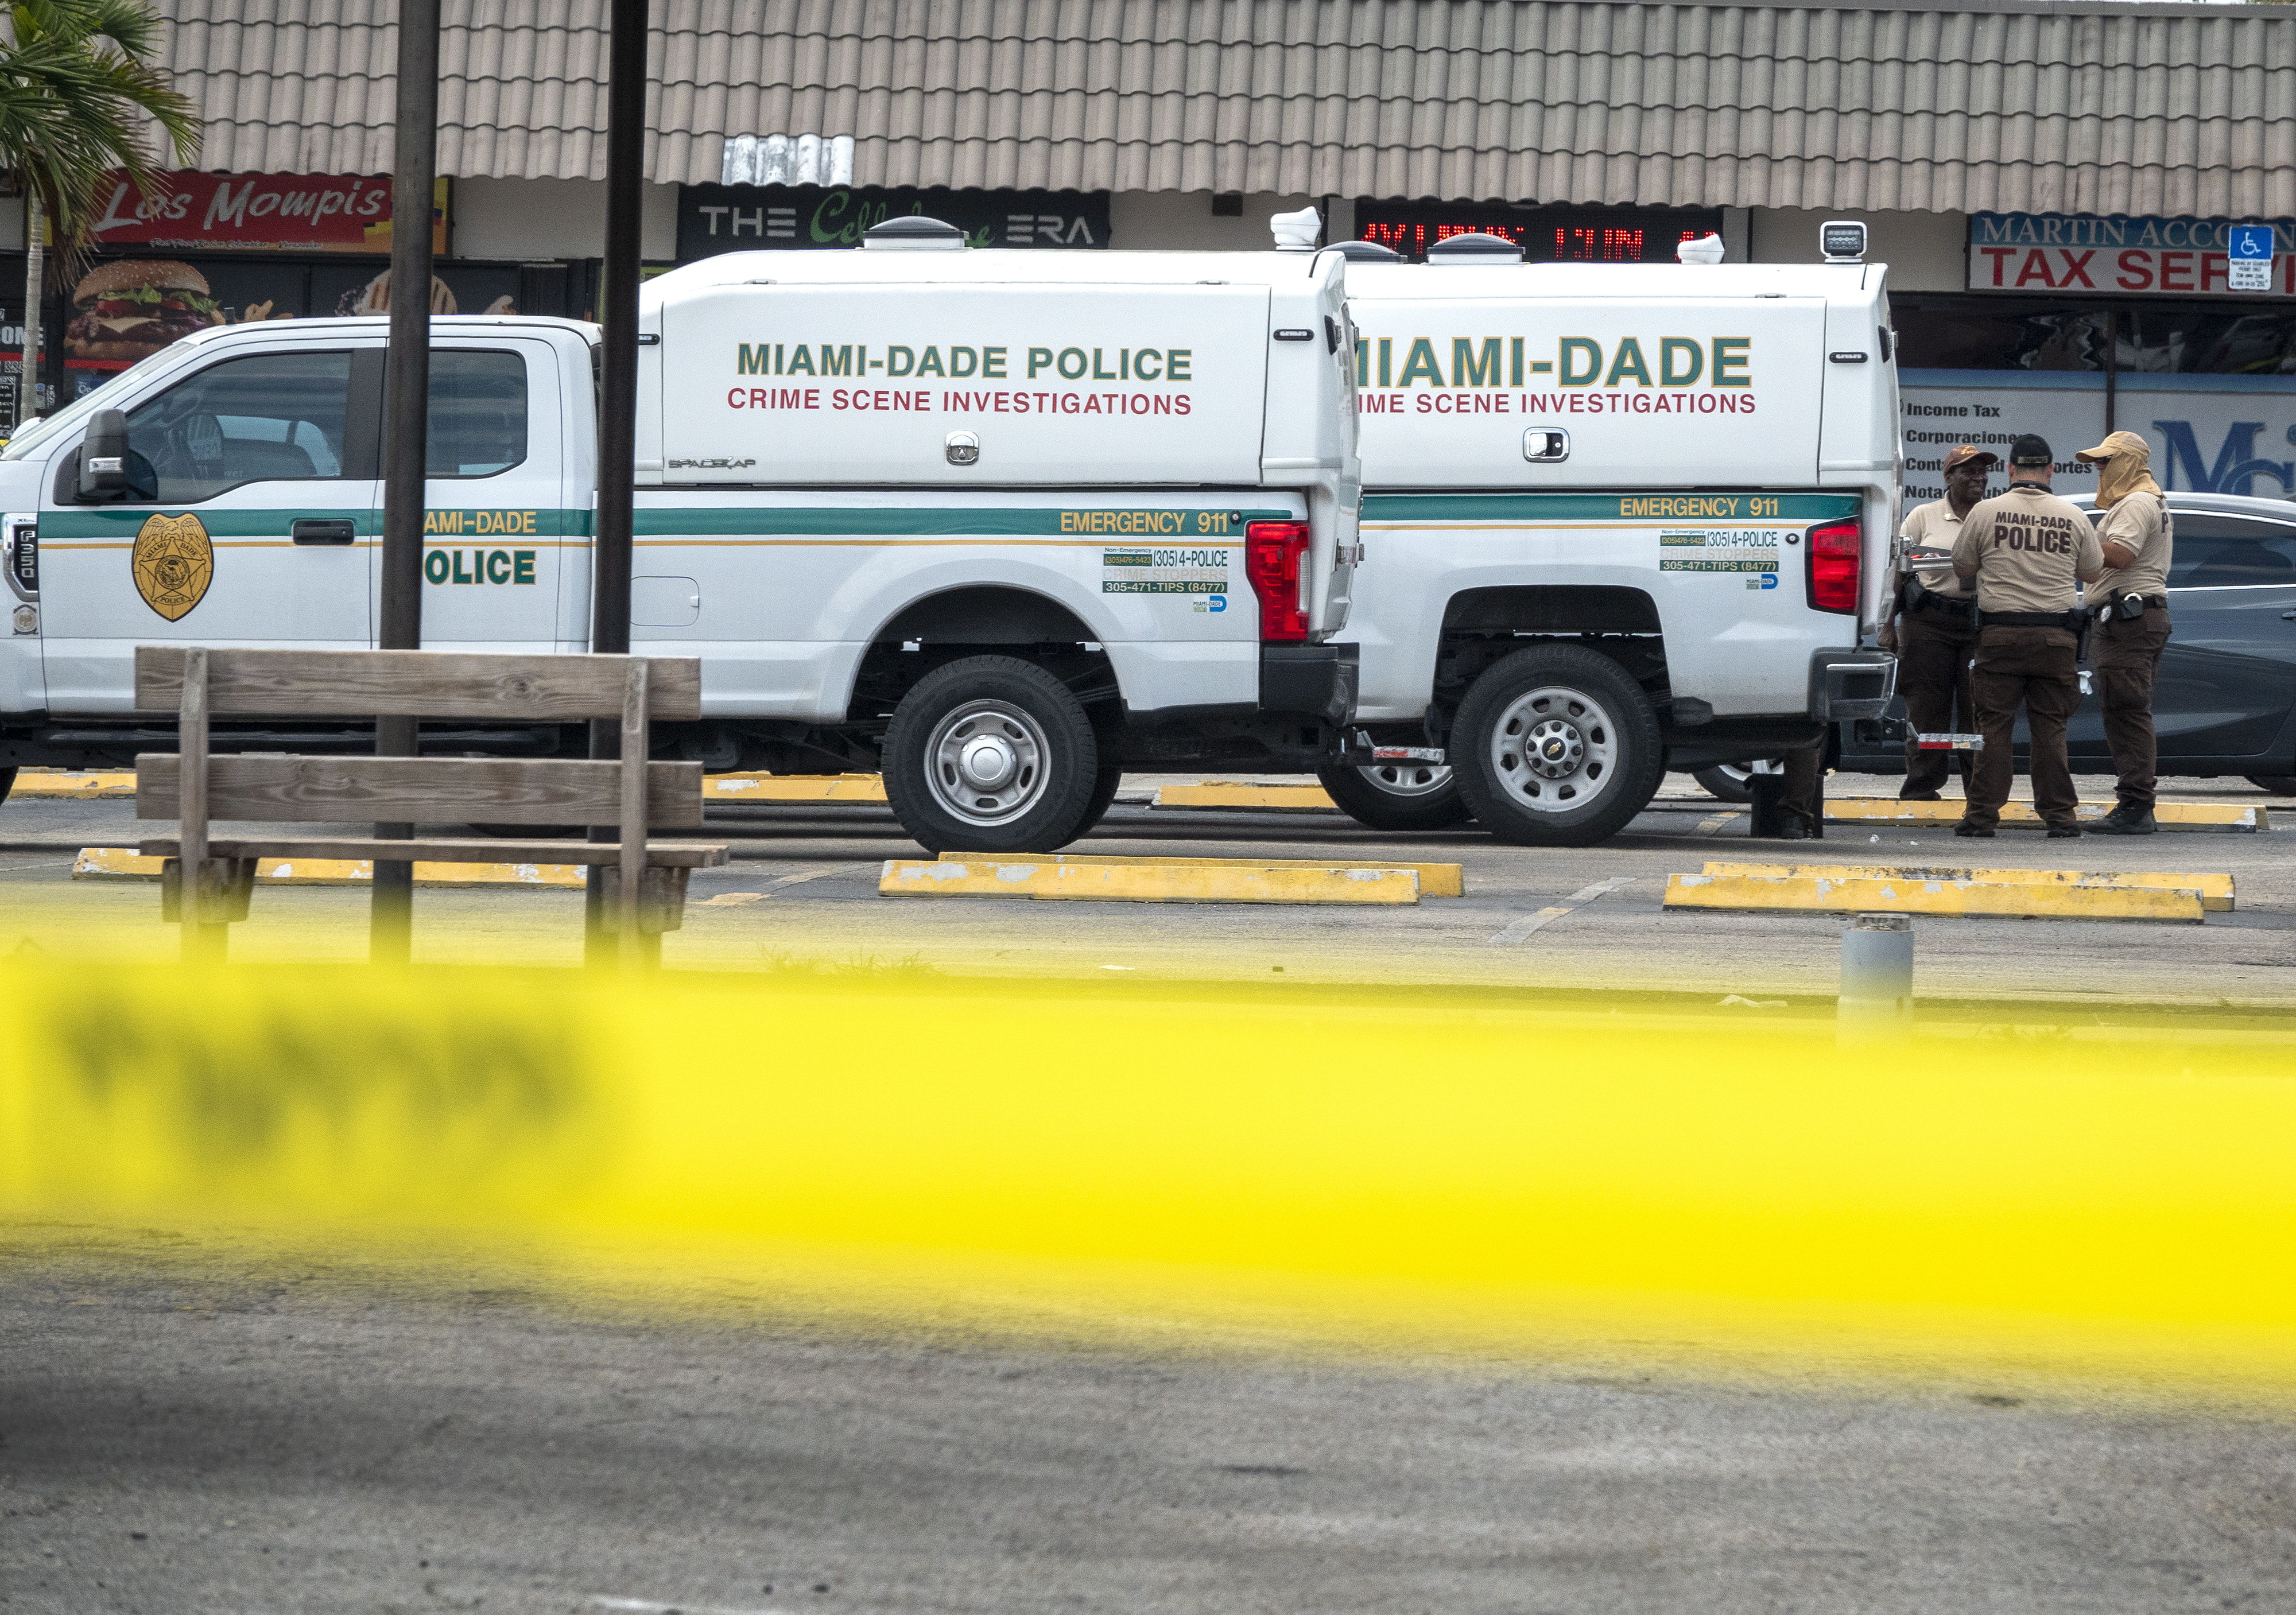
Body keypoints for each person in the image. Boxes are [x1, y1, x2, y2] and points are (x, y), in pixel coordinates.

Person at [1948, 433, 2103, 838]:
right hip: (2056, 640)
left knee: (1994, 728)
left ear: (2010, 469)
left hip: (2000, 638)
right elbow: (2091, 572)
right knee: (2050, 729)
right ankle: (2061, 818)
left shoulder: (1985, 512)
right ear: (2051, 471)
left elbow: (1962, 566)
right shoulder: (2072, 516)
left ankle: (1981, 817)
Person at [1879, 445, 1992, 799]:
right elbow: (1898, 575)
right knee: (1928, 710)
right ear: (1948, 477)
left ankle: (1978, 793)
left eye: (1981, 471)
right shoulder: (1923, 517)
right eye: (1968, 471)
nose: (1978, 477)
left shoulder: (1991, 516)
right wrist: (1888, 624)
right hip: (1928, 625)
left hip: (1977, 626)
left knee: (1977, 710)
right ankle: (1922, 787)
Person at [2076, 430, 2174, 835]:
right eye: (2098, 461)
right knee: (2127, 711)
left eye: (2106, 461)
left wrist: (2076, 539)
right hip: (2134, 618)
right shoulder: (2146, 499)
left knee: (2127, 713)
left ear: (2130, 463)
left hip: (2127, 621)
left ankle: (2135, 806)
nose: (2099, 468)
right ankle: (2136, 802)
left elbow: (2120, 555)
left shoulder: (2135, 502)